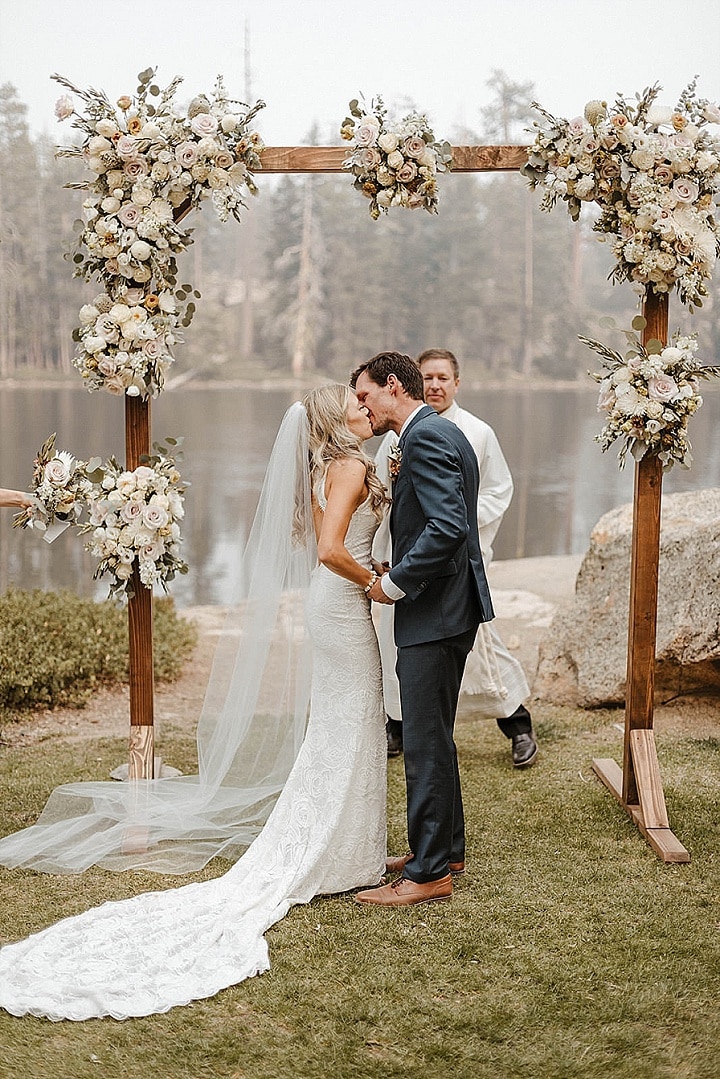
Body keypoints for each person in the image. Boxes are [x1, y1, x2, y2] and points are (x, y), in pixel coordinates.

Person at [0, 384, 390, 1021]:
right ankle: (342, 853)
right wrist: (376, 580)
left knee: (343, 725)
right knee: (352, 721)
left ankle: (349, 848)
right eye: (353, 398)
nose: (362, 404)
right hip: (344, 604)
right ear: (332, 417)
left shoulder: (329, 466)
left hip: (330, 605)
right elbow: (330, 547)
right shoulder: (349, 466)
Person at [351, 352, 494, 908]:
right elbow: (438, 522)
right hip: (449, 604)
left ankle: (430, 872)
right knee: (434, 732)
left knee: (424, 741)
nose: (362, 407)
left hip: (435, 612)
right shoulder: (437, 430)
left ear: (392, 386)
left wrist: (395, 585)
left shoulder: (426, 438)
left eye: (366, 396)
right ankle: (444, 848)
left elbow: (447, 528)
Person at [374, 348, 538, 769]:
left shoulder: (477, 432)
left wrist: (460, 527)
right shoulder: (394, 435)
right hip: (410, 557)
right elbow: (385, 496)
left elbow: (499, 491)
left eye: (442, 378)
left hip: (460, 558)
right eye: (427, 377)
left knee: (483, 645)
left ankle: (517, 723)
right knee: (402, 643)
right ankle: (398, 725)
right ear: (415, 383)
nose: (434, 385)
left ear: (456, 383)